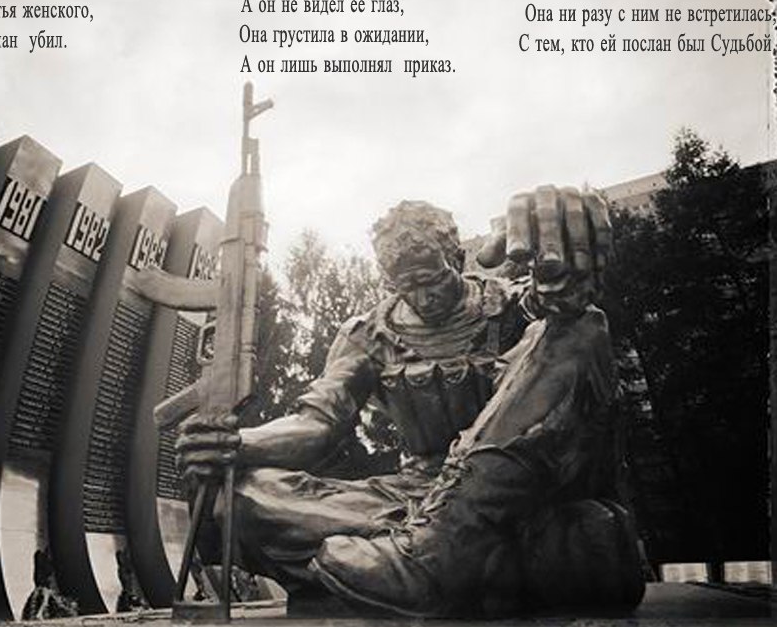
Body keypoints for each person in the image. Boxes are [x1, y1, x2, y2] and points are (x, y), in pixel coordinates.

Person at [171, 186, 645, 618]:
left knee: (580, 326)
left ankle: (447, 552)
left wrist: (562, 287)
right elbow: (317, 424)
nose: (423, 297)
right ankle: (484, 563)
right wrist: (235, 442)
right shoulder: (368, 333)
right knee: (242, 494)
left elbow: (570, 354)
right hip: (413, 502)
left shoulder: (514, 304)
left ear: (457, 257)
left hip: (527, 497)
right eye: (405, 285)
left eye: (431, 279)